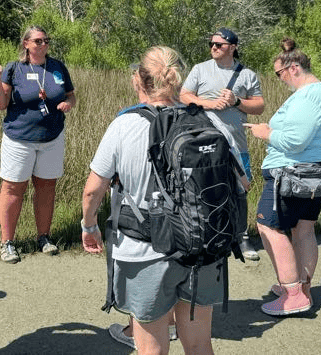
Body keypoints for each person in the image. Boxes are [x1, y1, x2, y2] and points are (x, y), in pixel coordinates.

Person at [82, 46, 231, 355]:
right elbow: (240, 183)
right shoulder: (207, 122)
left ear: (138, 79)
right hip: (201, 245)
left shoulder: (124, 125)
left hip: (144, 249)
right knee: (199, 344)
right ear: (178, 79)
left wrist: (89, 225)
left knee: (153, 349)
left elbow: (93, 190)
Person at [245, 38, 321, 316]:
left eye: (279, 74)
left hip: (292, 171)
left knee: (268, 226)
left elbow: (295, 140)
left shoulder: (309, 95)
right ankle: (301, 288)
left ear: (293, 68)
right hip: (308, 171)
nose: (280, 79)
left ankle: (292, 293)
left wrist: (266, 133)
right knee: (303, 229)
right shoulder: (315, 94)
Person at [0, 26, 76, 263]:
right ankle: (7, 242)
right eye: (38, 41)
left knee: (47, 187)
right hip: (19, 139)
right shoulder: (14, 69)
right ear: (26, 44)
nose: (44, 44)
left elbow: (70, 94)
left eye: (46, 40)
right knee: (13, 188)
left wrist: (69, 103)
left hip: (52, 137)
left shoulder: (57, 67)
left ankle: (44, 237)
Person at [180, 27, 264, 261]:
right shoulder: (200, 69)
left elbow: (259, 106)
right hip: (203, 145)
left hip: (236, 144)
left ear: (233, 47)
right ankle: (208, 235)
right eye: (212, 44)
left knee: (240, 190)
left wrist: (237, 101)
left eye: (219, 45)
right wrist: (209, 104)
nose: (214, 48)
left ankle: (242, 237)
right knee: (204, 189)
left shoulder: (247, 74)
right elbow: (184, 96)